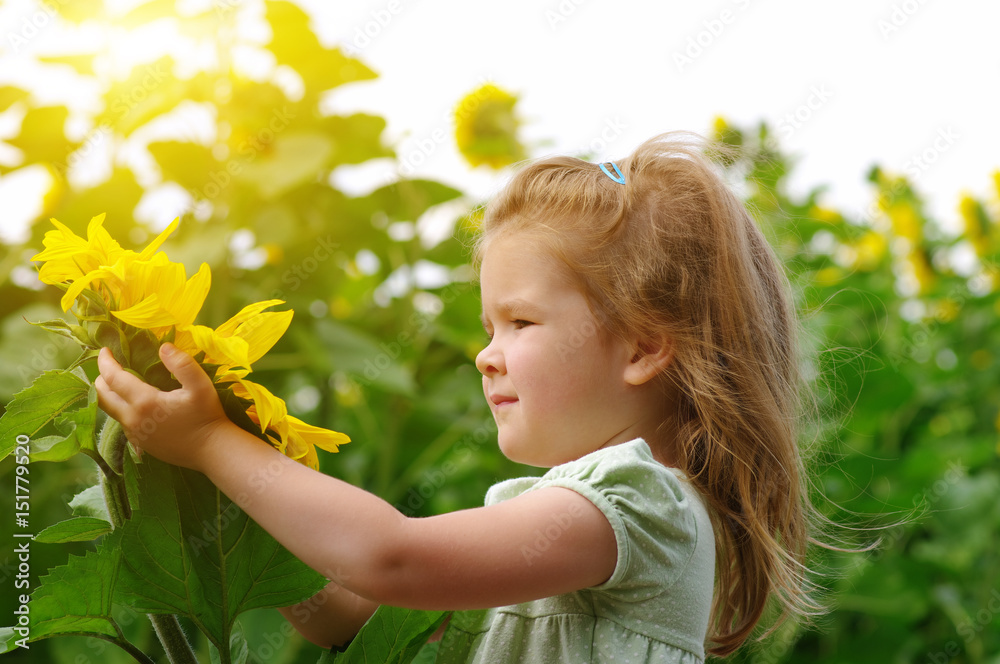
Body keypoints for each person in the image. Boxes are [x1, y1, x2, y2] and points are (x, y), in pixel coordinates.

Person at [96, 132, 822, 662]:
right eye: (488, 326)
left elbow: (389, 559)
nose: (486, 354)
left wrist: (210, 444)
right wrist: (241, 486)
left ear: (642, 346)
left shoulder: (638, 504)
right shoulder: (569, 523)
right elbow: (351, 612)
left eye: (520, 322)